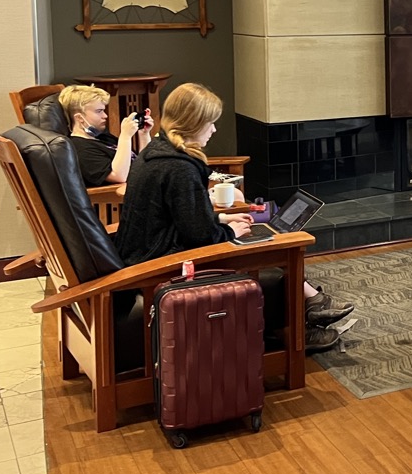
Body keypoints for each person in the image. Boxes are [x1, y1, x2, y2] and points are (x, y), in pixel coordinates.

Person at [115, 82, 351, 353]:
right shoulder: (178, 168)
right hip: (162, 266)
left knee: (259, 241)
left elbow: (180, 219)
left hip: (148, 254)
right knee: (275, 255)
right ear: (194, 123)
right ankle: (302, 330)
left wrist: (222, 221)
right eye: (210, 123)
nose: (214, 130)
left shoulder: (156, 153)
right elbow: (201, 237)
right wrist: (229, 233)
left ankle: (312, 307)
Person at [58, 84, 152, 187]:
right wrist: (125, 136)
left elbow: (143, 163)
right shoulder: (81, 149)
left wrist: (144, 134)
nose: (105, 116)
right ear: (79, 118)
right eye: (99, 111)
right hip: (121, 196)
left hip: (145, 182)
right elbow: (119, 176)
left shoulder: (101, 136)